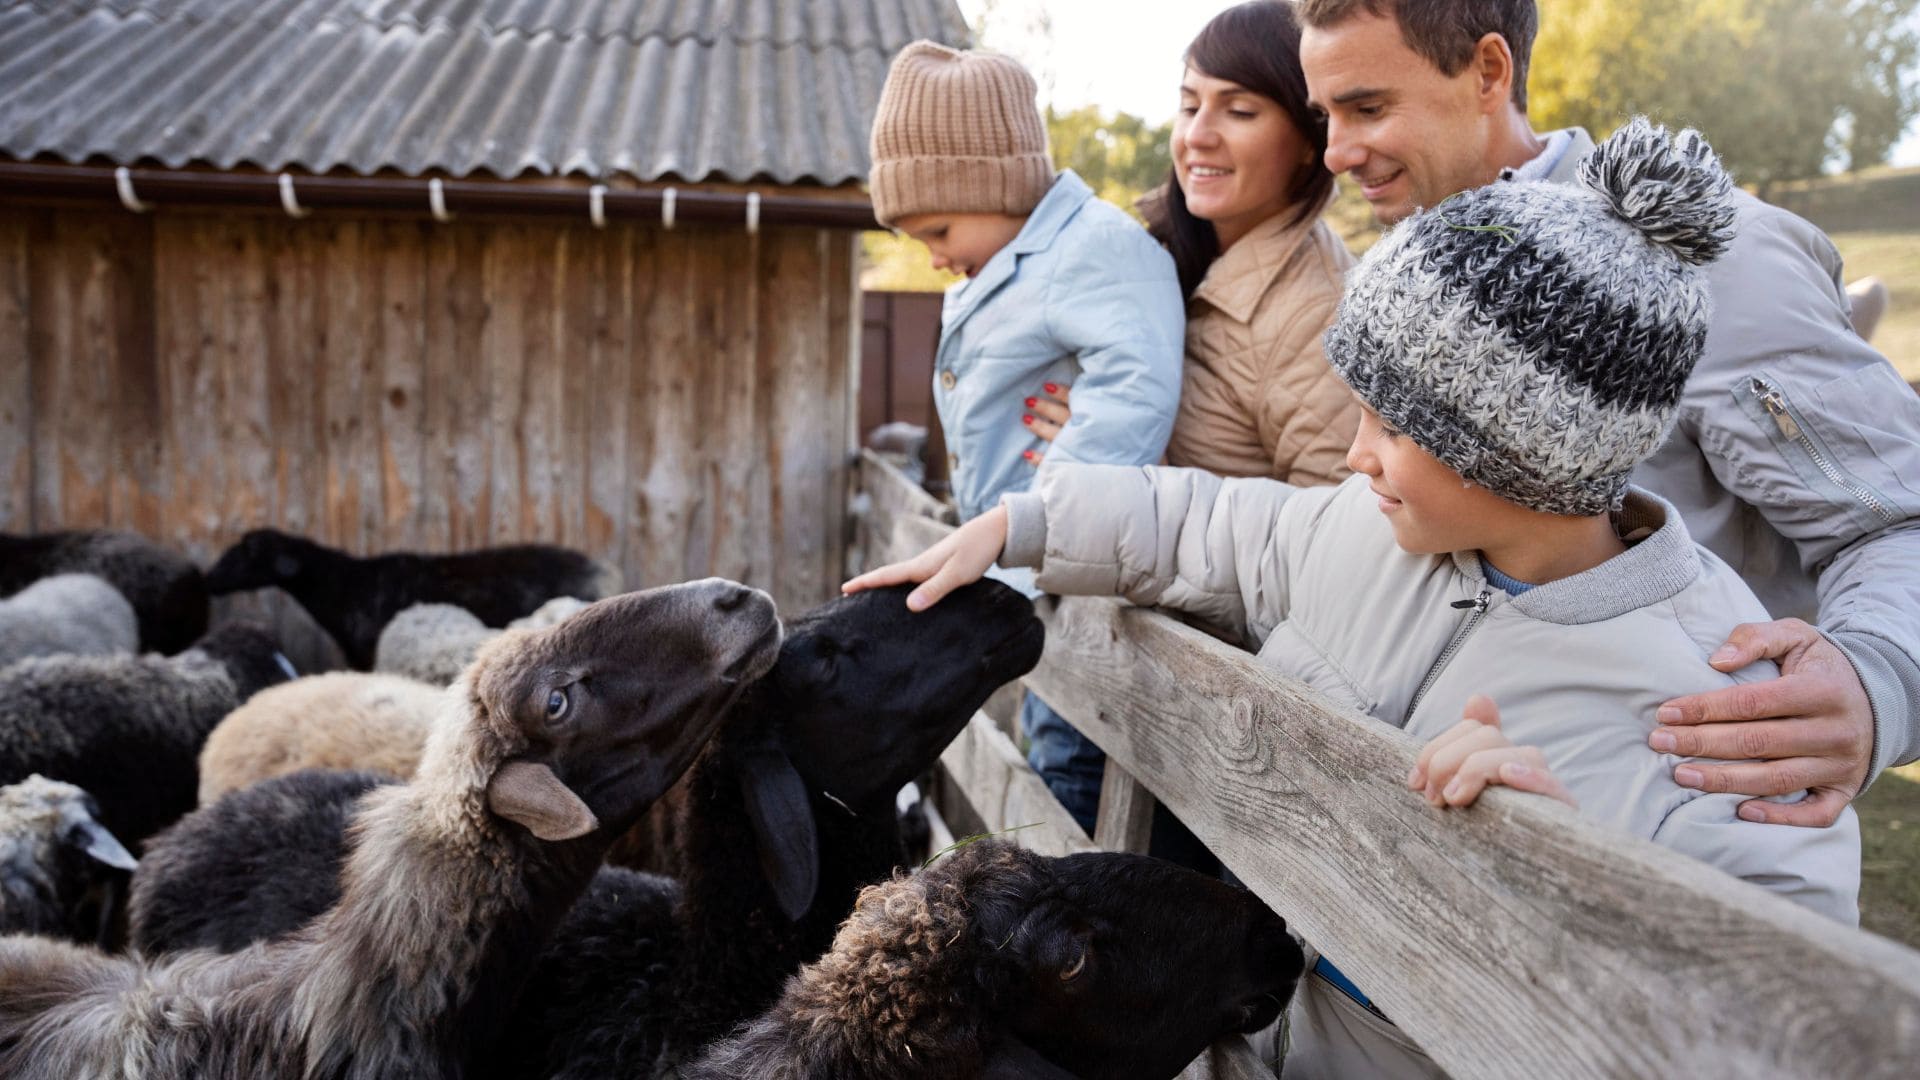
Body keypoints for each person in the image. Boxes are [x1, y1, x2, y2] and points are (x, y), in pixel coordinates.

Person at [846, 118, 1860, 1078]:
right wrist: (1024, 524)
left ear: (1516, 452)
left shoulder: (1734, 721)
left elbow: (1764, 1028)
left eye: (1390, 422)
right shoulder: (1369, 534)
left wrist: (1557, 888)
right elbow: (1209, 525)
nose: (1350, 450)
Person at [1297, 0, 1920, 827]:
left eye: (1368, 107)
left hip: (1671, 816)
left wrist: (1878, 677)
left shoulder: (1728, 269)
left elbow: (1889, 518)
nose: (1336, 150)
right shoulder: (1412, 262)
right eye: (1325, 115)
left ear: (1489, 71)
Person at [868, 41, 1186, 832]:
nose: (934, 256)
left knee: (1069, 776)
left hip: (1073, 573)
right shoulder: (1018, 258)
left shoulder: (1096, 254)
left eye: (938, 227)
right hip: (1030, 577)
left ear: (996, 185)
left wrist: (1041, 509)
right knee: (1047, 738)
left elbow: (1131, 397)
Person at [1027, 0, 1360, 486]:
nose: (1197, 135)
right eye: (1188, 106)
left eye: (1240, 111)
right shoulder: (1143, 254)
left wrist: (1141, 473)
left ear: (1311, 138)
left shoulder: (1321, 317)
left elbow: (1334, 533)